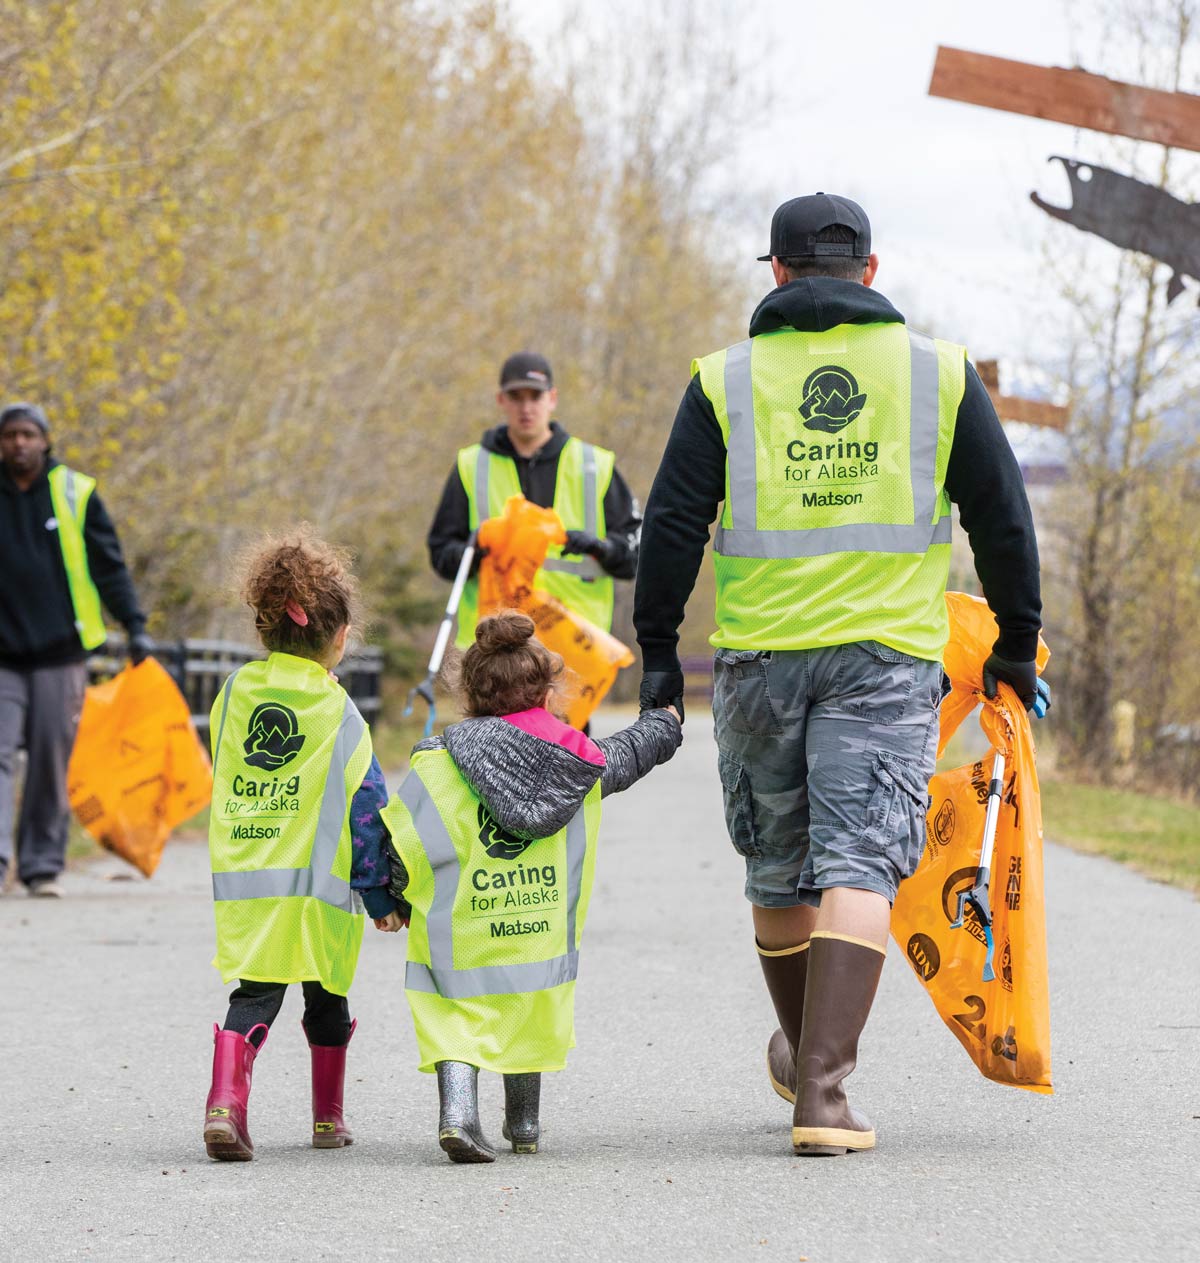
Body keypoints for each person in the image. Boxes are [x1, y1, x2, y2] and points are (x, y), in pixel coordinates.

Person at [633, 194, 1047, 1156]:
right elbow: (1004, 515)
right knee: (859, 860)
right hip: (884, 660)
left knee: (780, 868)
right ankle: (822, 1088)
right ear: (870, 271)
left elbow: (672, 524)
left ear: (774, 272)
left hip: (759, 659)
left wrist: (658, 650)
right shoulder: (938, 373)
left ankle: (803, 1054)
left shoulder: (724, 379)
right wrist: (1015, 640)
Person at [380, 610, 681, 1163]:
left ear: (469, 694)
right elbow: (634, 750)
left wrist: (395, 900)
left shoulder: (436, 766)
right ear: (546, 694)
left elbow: (403, 845)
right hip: (537, 938)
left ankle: (457, 1114)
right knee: (527, 1016)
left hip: (462, 937)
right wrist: (665, 721)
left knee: (455, 1018)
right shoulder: (579, 763)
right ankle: (524, 1123)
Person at [202, 528, 405, 1162]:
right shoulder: (340, 713)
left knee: (256, 993)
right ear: (340, 637)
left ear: (265, 629)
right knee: (327, 996)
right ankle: (324, 1119)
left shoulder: (234, 693)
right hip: (318, 891)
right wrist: (379, 897)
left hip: (246, 876)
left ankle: (227, 1104)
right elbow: (366, 812)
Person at [0, 401, 151, 898]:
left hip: (60, 654)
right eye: (10, 435)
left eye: (28, 434)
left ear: (45, 440)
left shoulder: (74, 492)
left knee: (49, 760)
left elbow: (109, 566)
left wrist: (134, 625)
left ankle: (41, 866)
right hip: (3, 658)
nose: (19, 443)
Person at [427, 352, 642, 650]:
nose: (526, 408)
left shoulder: (595, 465)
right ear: (501, 400)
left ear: (552, 398)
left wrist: (598, 547)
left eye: (535, 396)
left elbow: (635, 557)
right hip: (495, 647)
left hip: (576, 650)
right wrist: (475, 552)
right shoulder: (471, 465)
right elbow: (441, 555)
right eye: (516, 397)